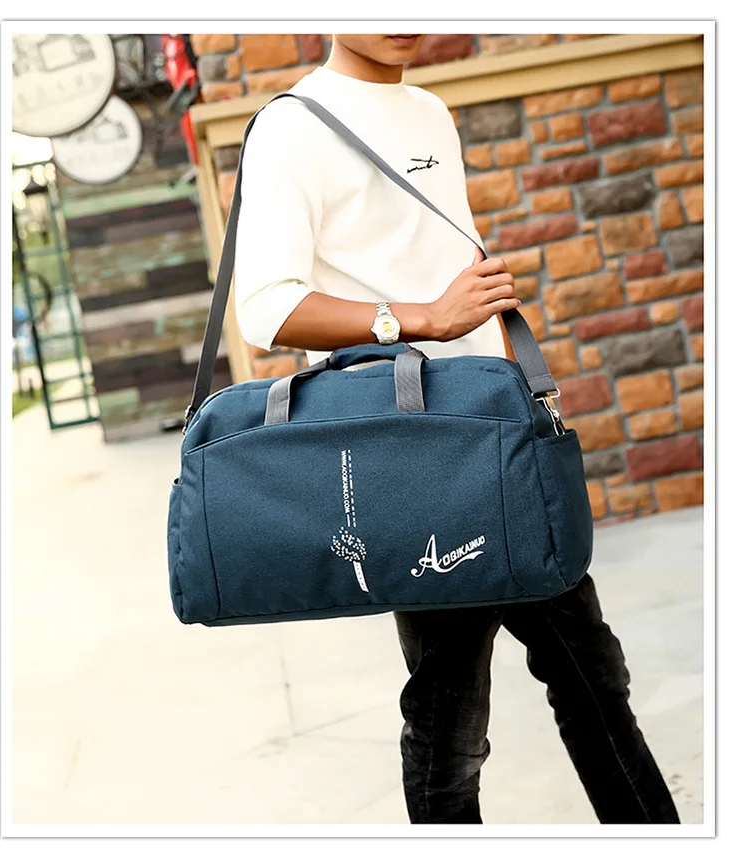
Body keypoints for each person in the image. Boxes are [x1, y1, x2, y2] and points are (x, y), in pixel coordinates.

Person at [233, 33, 680, 825]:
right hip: (412, 460)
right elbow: (265, 307)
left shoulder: (429, 112)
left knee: (594, 679)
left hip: (499, 435)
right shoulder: (291, 125)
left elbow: (454, 270)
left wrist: (520, 386)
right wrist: (421, 318)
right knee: (451, 719)